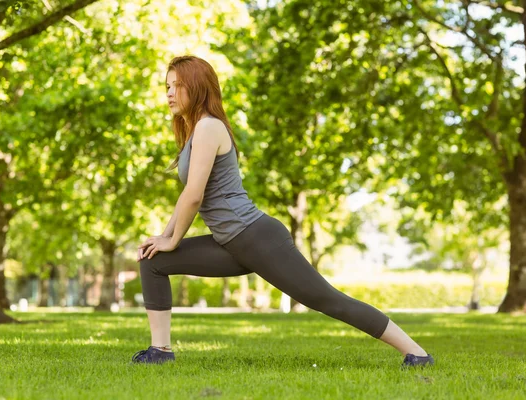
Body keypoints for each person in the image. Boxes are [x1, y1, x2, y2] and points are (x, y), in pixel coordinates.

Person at [132, 55, 434, 368]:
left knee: (327, 300)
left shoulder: (209, 126)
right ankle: (160, 351)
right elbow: (187, 195)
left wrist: (173, 238)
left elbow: (195, 196)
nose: (168, 93)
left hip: (256, 238)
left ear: (196, 87)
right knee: (154, 260)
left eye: (176, 86)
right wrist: (163, 238)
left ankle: (417, 354)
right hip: (231, 242)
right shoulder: (196, 131)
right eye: (167, 86)